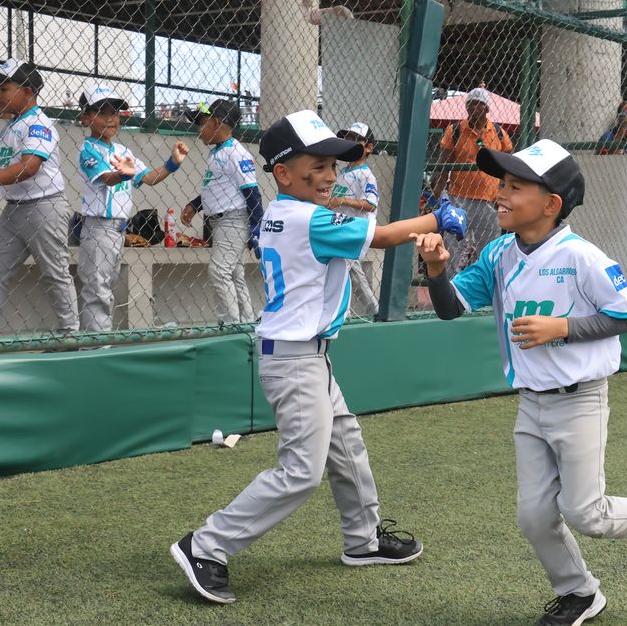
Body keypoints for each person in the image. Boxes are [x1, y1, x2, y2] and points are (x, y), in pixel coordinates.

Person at [170, 110, 469, 604]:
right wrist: (438, 217)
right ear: (283, 173)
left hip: (307, 356)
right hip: (294, 360)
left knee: (347, 445)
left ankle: (363, 539)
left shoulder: (289, 213)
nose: (331, 174)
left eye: (334, 165)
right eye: (318, 164)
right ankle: (206, 545)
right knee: (300, 472)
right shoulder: (304, 216)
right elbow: (383, 236)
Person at [415, 138, 627, 625]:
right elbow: (451, 308)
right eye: (502, 183)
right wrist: (435, 269)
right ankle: (580, 593)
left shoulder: (582, 257)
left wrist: (563, 328)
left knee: (585, 513)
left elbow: (623, 316)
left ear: (551, 204)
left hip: (580, 402)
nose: (500, 194)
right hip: (531, 405)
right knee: (533, 517)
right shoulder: (498, 254)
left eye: (515, 186)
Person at [0, 59, 78, 338]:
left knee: (53, 271)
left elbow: (29, 167)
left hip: (44, 206)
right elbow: (11, 171)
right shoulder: (11, 125)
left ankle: (71, 334)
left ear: (28, 91)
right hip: (15, 209)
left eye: (5, 88)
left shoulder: (38, 122)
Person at [75, 86, 188, 332]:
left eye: (114, 112)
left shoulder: (123, 151)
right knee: (98, 290)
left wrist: (173, 163)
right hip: (99, 228)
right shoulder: (88, 149)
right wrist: (122, 174)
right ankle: (96, 350)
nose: (110, 118)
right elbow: (107, 178)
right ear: (86, 117)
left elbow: (149, 178)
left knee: (106, 288)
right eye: (102, 112)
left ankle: (98, 342)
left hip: (118, 231)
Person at [181, 100, 263, 324]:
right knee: (234, 273)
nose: (199, 129)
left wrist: (257, 227)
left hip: (233, 220)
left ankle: (231, 325)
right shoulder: (218, 152)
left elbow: (251, 191)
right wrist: (194, 205)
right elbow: (217, 188)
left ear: (217, 122)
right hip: (220, 221)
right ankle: (246, 322)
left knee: (219, 272)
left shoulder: (236, 153)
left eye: (202, 123)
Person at [435, 87, 513, 274]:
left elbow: (508, 157)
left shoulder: (497, 133)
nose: (474, 108)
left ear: (487, 108)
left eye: (479, 104)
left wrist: (503, 189)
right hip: (459, 197)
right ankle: (452, 287)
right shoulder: (455, 130)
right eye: (471, 103)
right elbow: (443, 162)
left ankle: (488, 284)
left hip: (488, 200)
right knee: (454, 247)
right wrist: (437, 192)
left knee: (489, 247)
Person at [332, 121, 381, 315]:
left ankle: (348, 314)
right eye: (348, 138)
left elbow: (371, 203)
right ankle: (373, 311)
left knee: (345, 272)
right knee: (352, 273)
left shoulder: (366, 175)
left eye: (355, 139)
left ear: (368, 147)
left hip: (355, 229)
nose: (349, 142)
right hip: (341, 229)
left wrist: (342, 200)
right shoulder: (343, 171)